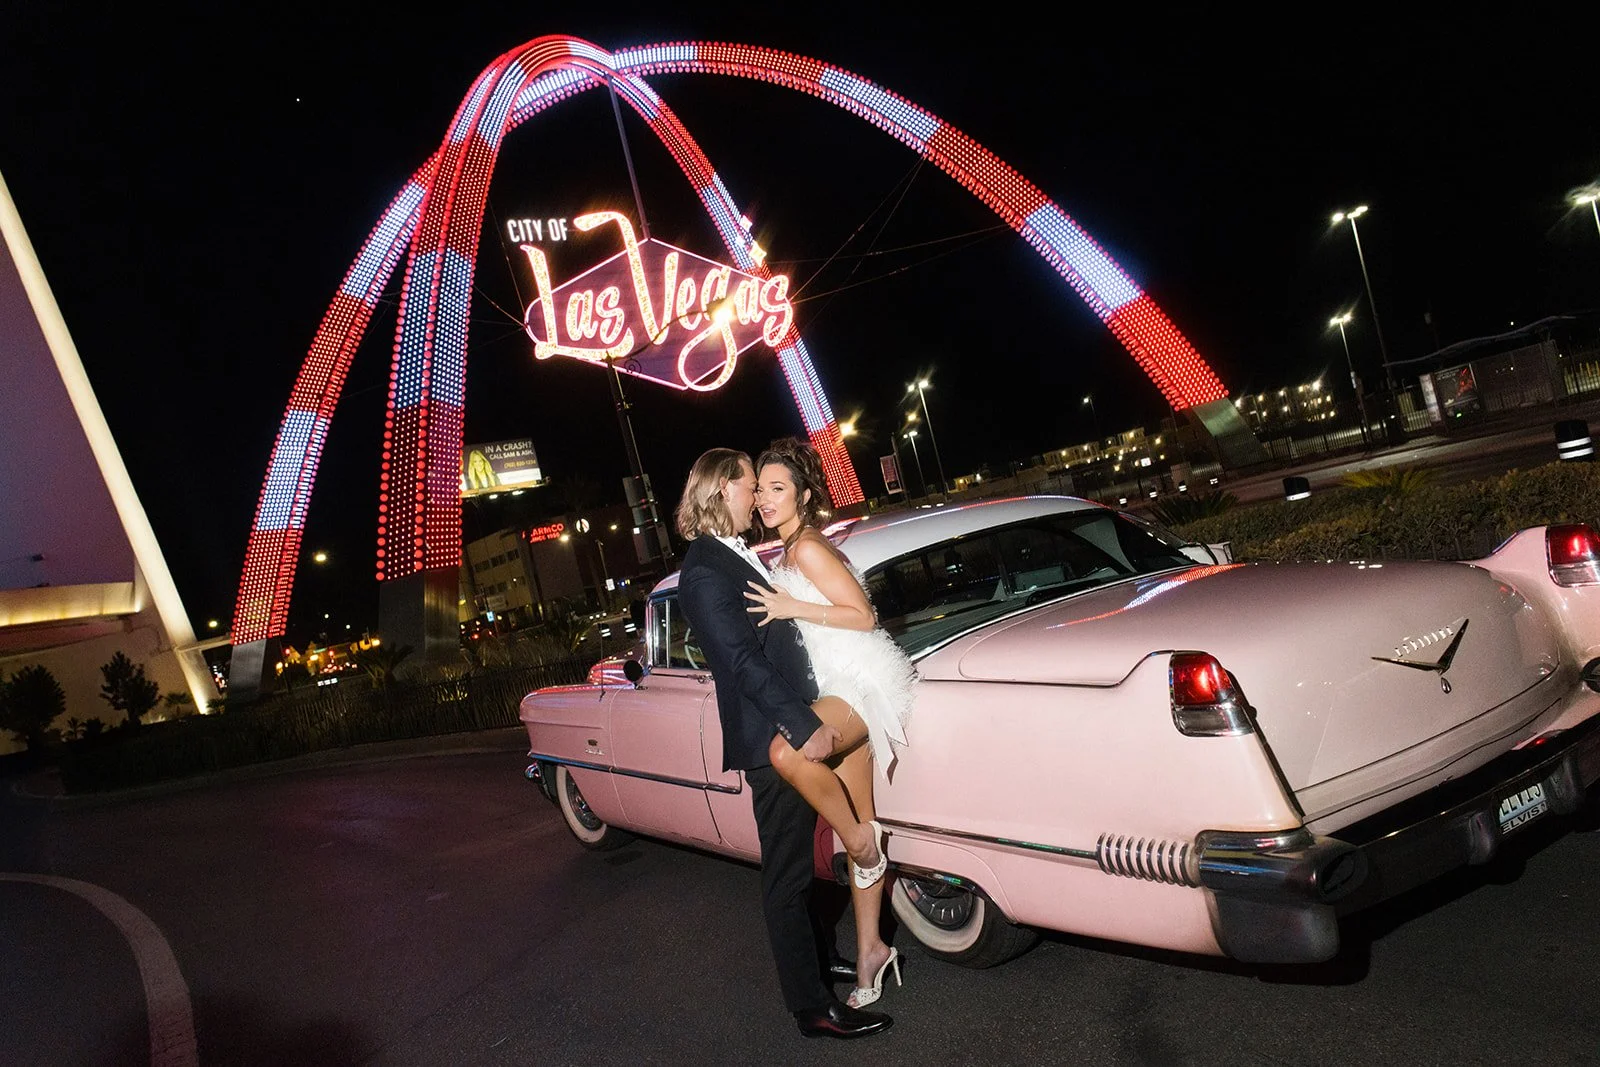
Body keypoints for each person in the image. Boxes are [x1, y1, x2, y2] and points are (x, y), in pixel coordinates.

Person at [673, 447, 893, 1041]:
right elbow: (741, 662)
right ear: (723, 491)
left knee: (801, 865)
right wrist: (800, 725)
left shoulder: (728, 556)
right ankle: (812, 1006)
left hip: (790, 717)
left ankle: (820, 963)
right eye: (750, 487)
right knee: (788, 876)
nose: (756, 498)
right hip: (772, 731)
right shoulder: (703, 571)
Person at [743, 437, 918, 1010]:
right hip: (834, 685)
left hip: (857, 681)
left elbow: (863, 617)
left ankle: (864, 847)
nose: (766, 499)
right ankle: (872, 950)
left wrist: (794, 608)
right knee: (861, 811)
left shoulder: (810, 548)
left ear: (803, 495)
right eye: (761, 488)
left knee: (787, 754)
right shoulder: (787, 549)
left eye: (778, 488)